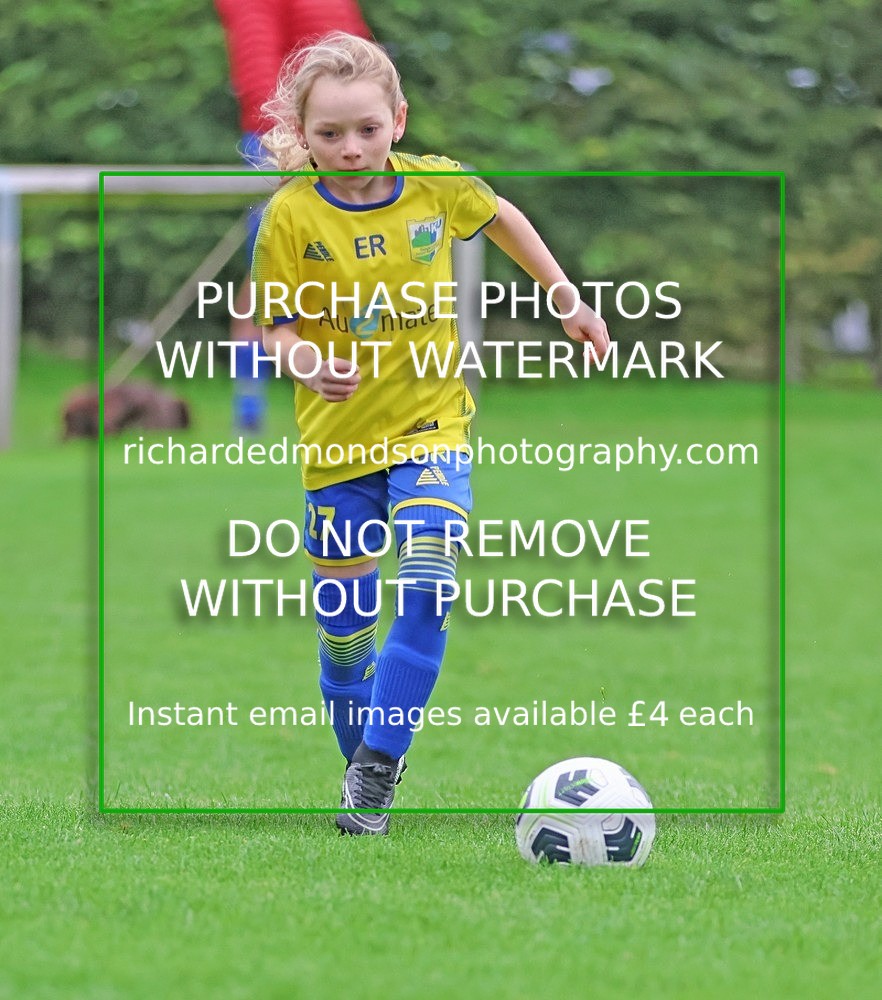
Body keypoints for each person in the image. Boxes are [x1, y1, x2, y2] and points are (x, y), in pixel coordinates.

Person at [252, 32, 610, 835]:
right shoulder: (288, 217)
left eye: (367, 129)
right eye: (330, 134)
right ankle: (367, 758)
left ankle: (376, 769)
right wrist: (302, 354)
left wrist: (565, 297)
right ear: (303, 136)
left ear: (399, 120)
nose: (351, 148)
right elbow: (271, 327)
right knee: (346, 646)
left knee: (428, 578)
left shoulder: (437, 187)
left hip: (431, 431)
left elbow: (504, 217)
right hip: (337, 452)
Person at [214, 0, 371, 431]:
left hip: (346, 121)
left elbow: (352, 49)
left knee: (360, 258)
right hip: (280, 132)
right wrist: (281, 136)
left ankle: (373, 387)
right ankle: (250, 404)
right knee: (271, 269)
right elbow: (256, 52)